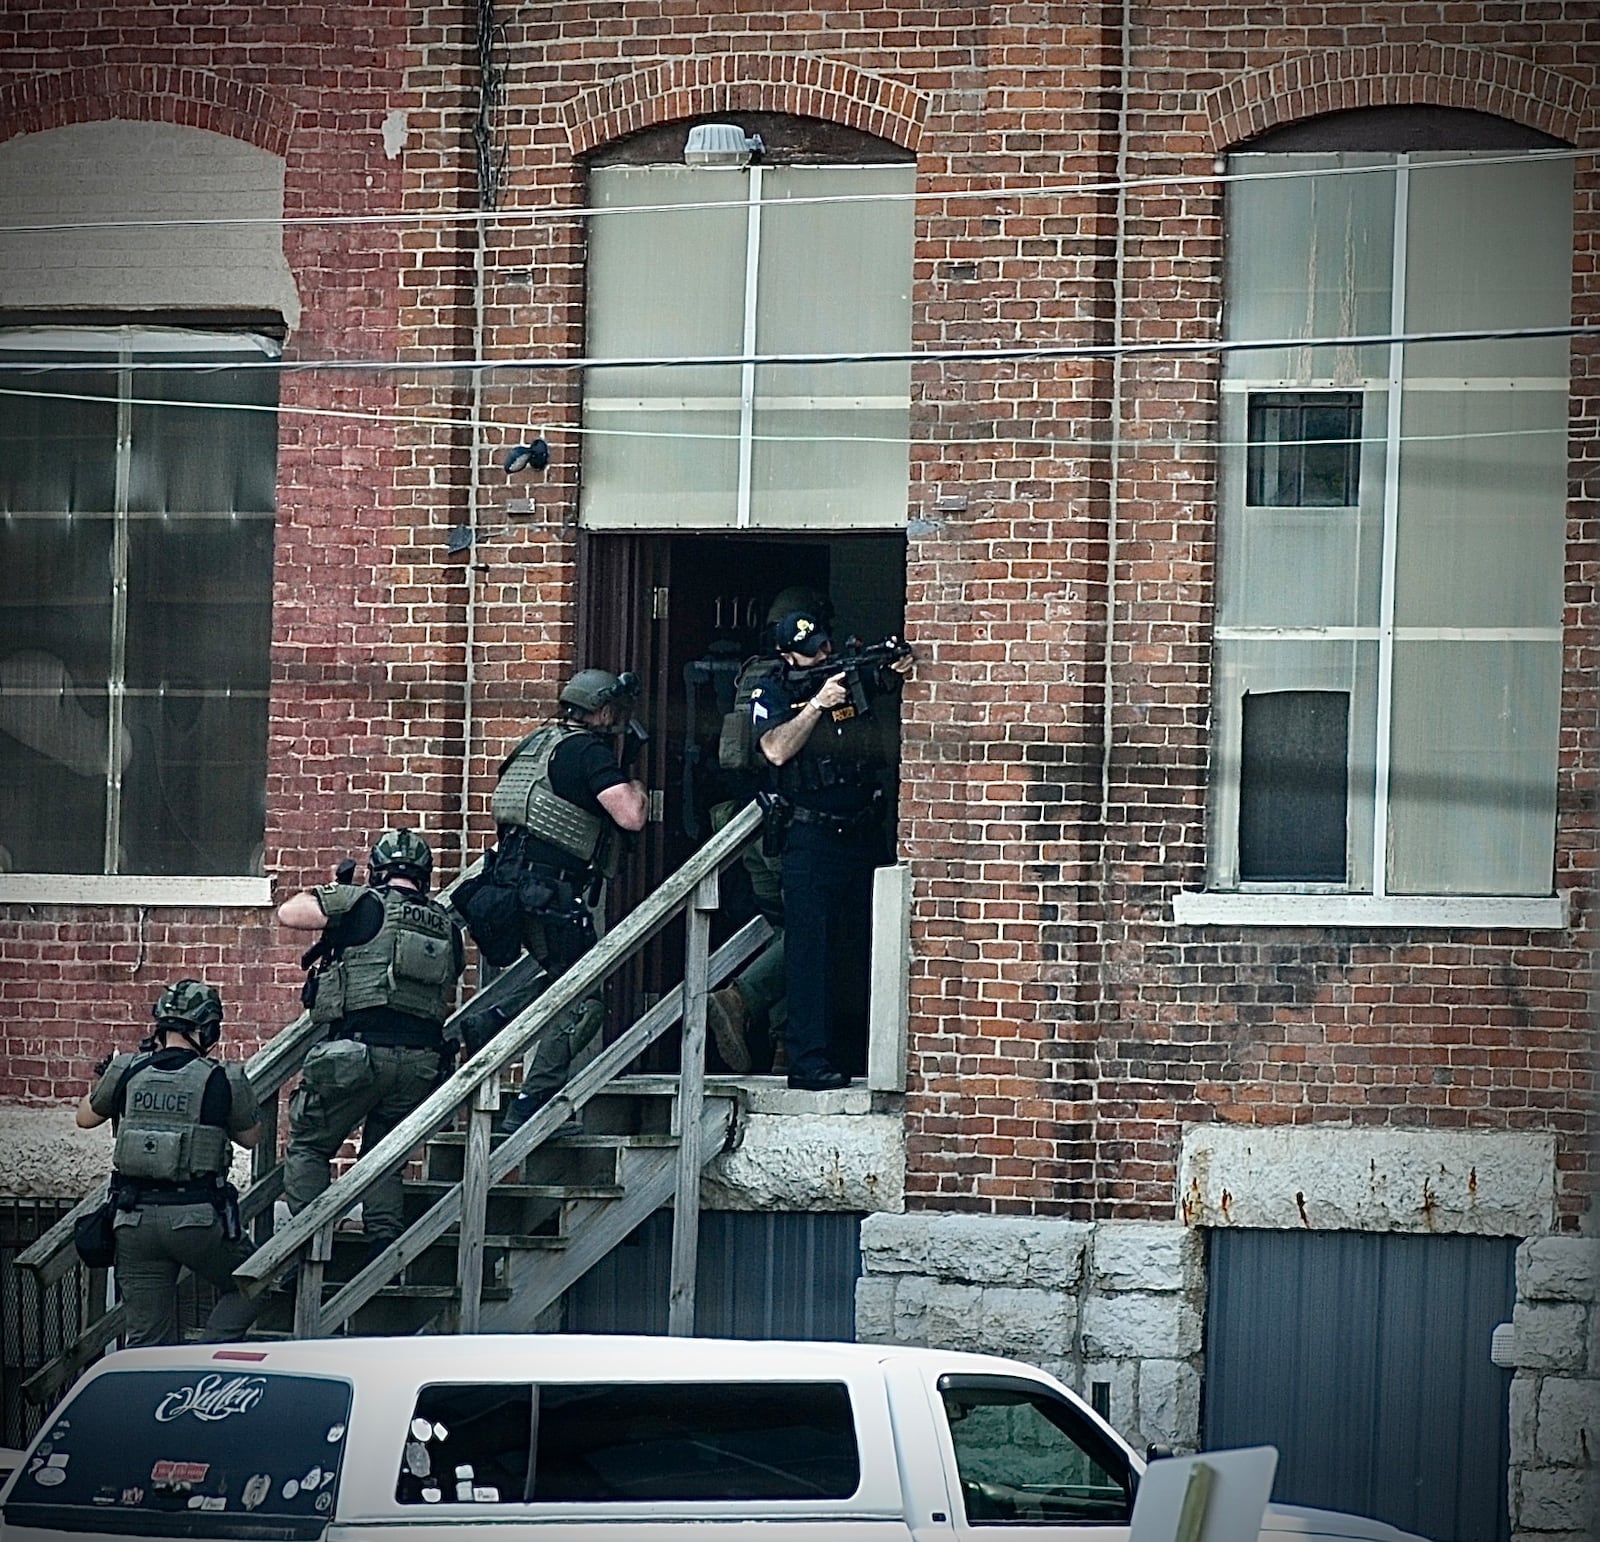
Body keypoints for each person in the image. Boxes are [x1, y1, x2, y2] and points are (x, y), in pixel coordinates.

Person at [470, 667, 648, 1134]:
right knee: (584, 997)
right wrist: (639, 788)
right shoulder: (586, 752)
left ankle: (496, 1018)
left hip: (511, 888)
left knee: (558, 978)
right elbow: (629, 816)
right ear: (603, 710)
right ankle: (532, 1104)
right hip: (550, 894)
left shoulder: (533, 745)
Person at [277, 827, 465, 1257]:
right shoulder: (447, 927)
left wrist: (335, 894)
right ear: (426, 876)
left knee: (309, 1146)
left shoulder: (363, 902)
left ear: (377, 871)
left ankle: (302, 1249)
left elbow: (290, 913)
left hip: (355, 1054)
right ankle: (385, 1251)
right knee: (384, 1159)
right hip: (421, 1064)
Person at [752, 610, 913, 1091]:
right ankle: (808, 1062)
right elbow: (775, 750)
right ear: (787, 655)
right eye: (810, 651)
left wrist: (894, 666)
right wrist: (818, 704)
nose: (822, 656)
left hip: (859, 831)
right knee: (809, 953)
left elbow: (883, 677)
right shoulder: (773, 688)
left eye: (825, 646)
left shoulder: (843, 668)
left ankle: (853, 1052)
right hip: (810, 837)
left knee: (859, 946)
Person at [76, 978, 264, 1347]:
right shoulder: (223, 1078)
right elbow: (250, 1137)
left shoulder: (128, 1069)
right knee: (256, 1282)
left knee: (146, 1341)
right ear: (205, 1028)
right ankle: (206, 1358)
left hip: (133, 1221)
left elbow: (85, 1118)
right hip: (195, 1218)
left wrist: (105, 1080)